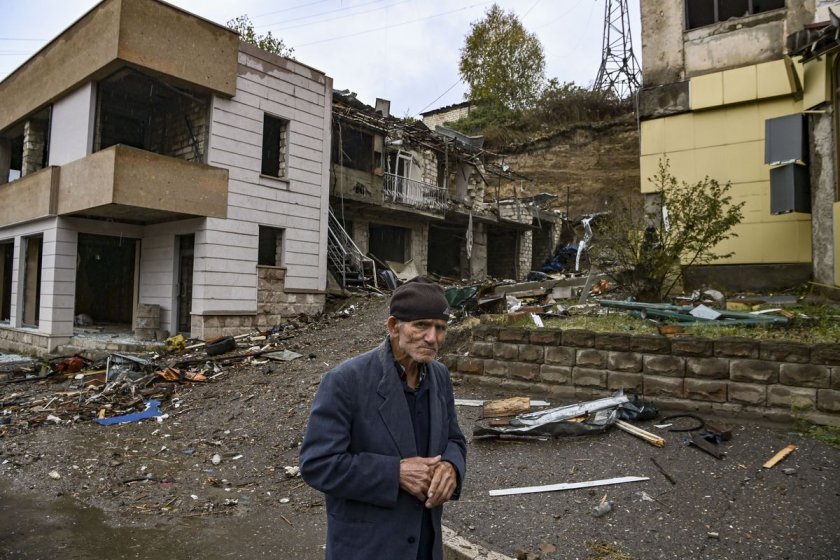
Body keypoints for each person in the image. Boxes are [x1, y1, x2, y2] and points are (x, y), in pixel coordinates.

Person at [299, 277, 467, 560]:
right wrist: (394, 473)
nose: (433, 338)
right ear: (393, 327)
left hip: (425, 546)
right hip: (368, 547)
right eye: (421, 325)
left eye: (440, 328)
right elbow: (317, 464)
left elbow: (454, 438)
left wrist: (452, 466)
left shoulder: (439, 376)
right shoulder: (346, 381)